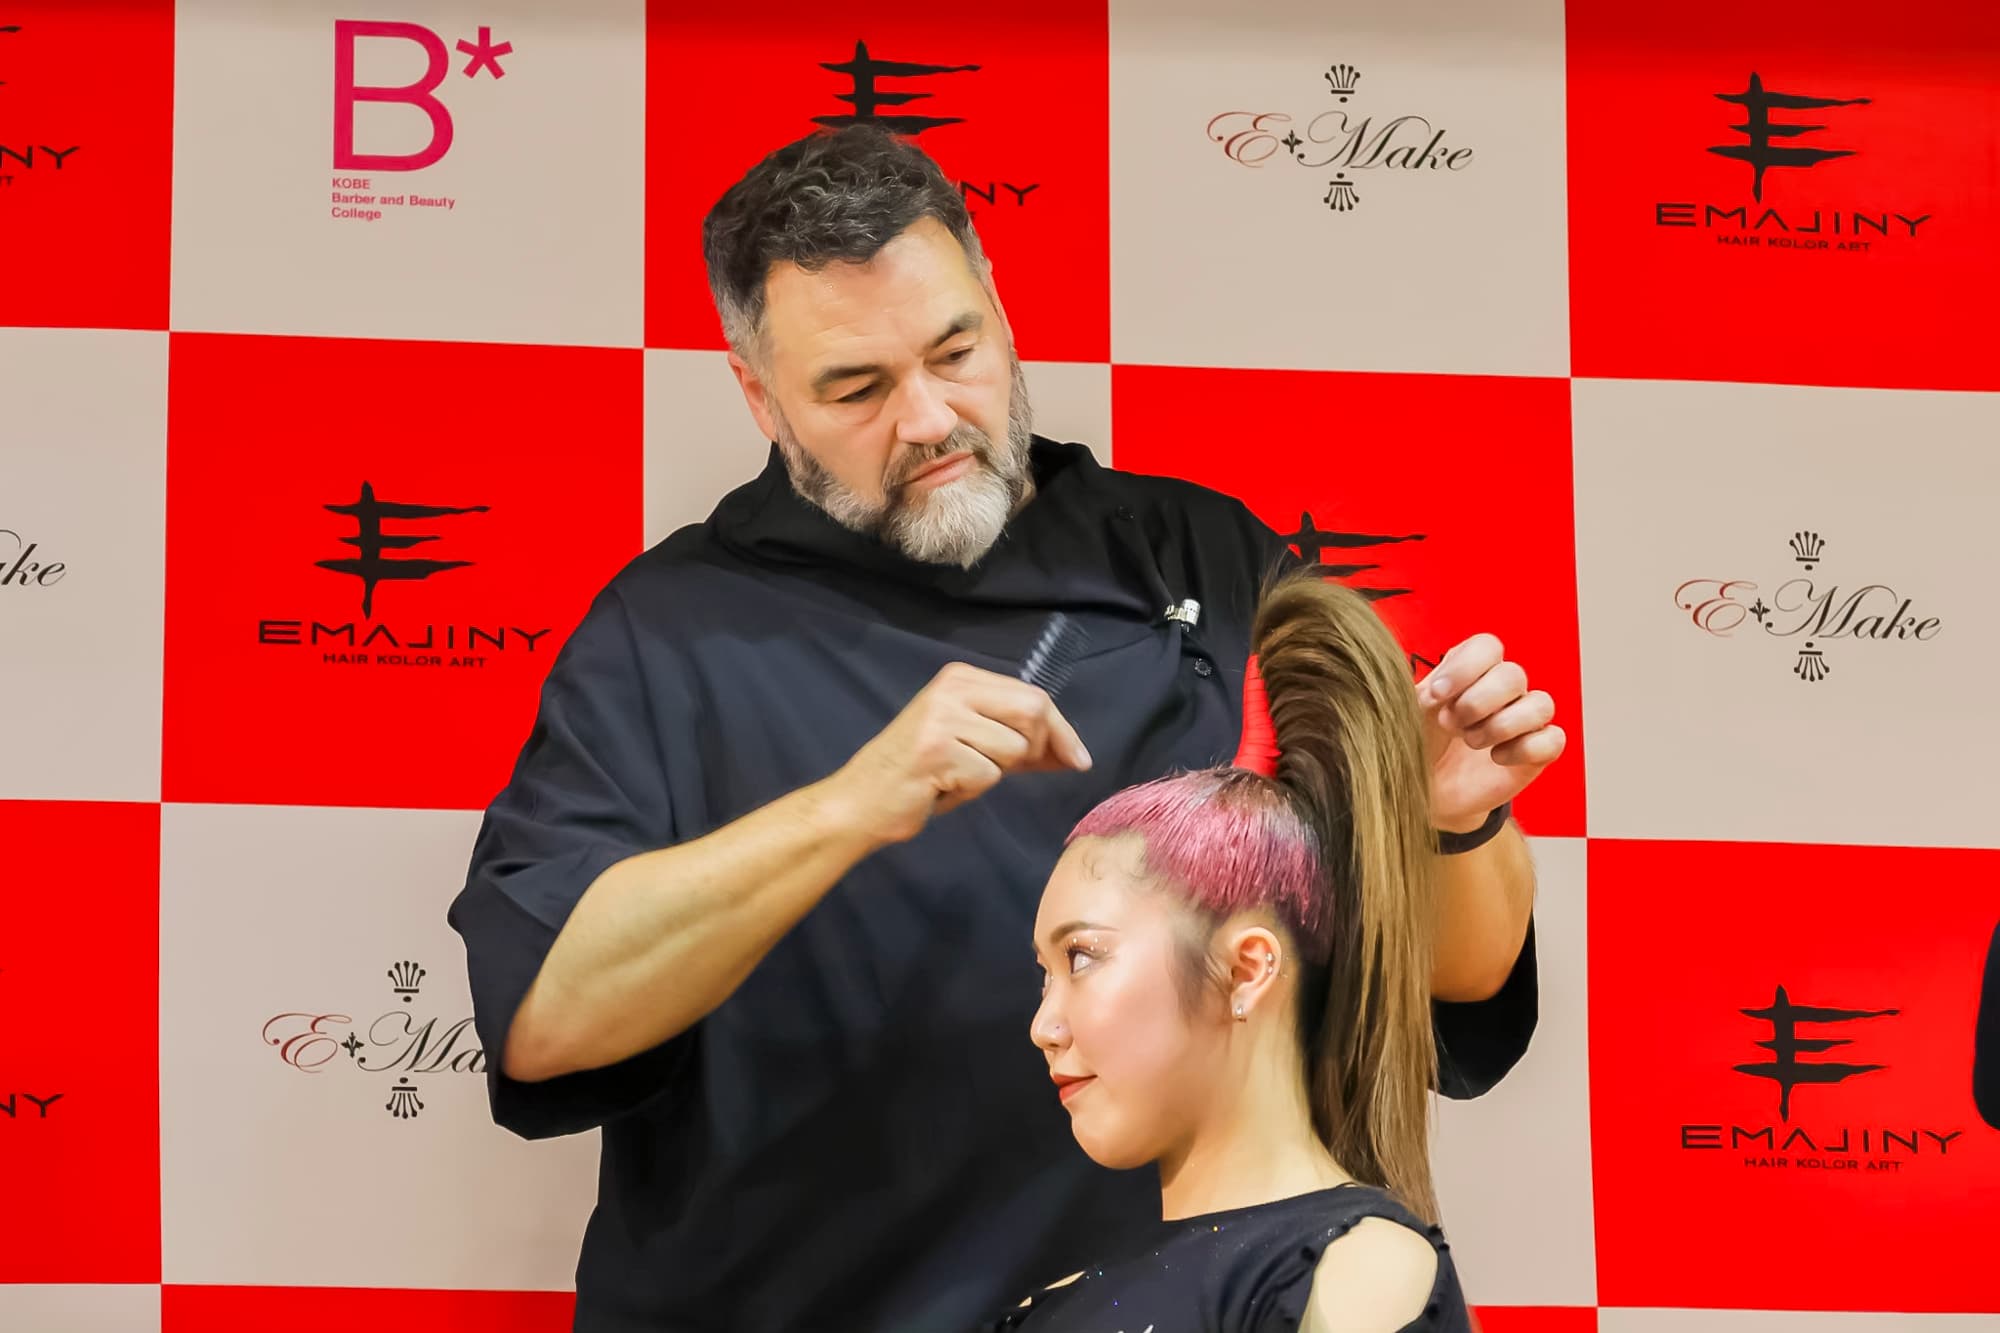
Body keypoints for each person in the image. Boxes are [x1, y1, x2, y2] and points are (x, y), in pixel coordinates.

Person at [446, 122, 1562, 1333]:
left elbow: (1453, 996)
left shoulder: (1205, 560)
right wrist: (851, 804)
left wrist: (1450, 823)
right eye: (857, 388)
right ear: (759, 396)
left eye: (955, 350)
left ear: (996, 301)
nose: (929, 418)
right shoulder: (668, 633)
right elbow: (544, 1020)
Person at [977, 569, 1473, 1332]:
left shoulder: (1355, 1270)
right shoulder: (1051, 1302)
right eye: (1044, 976)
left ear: (1247, 969)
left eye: (1081, 957)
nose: (1044, 1026)